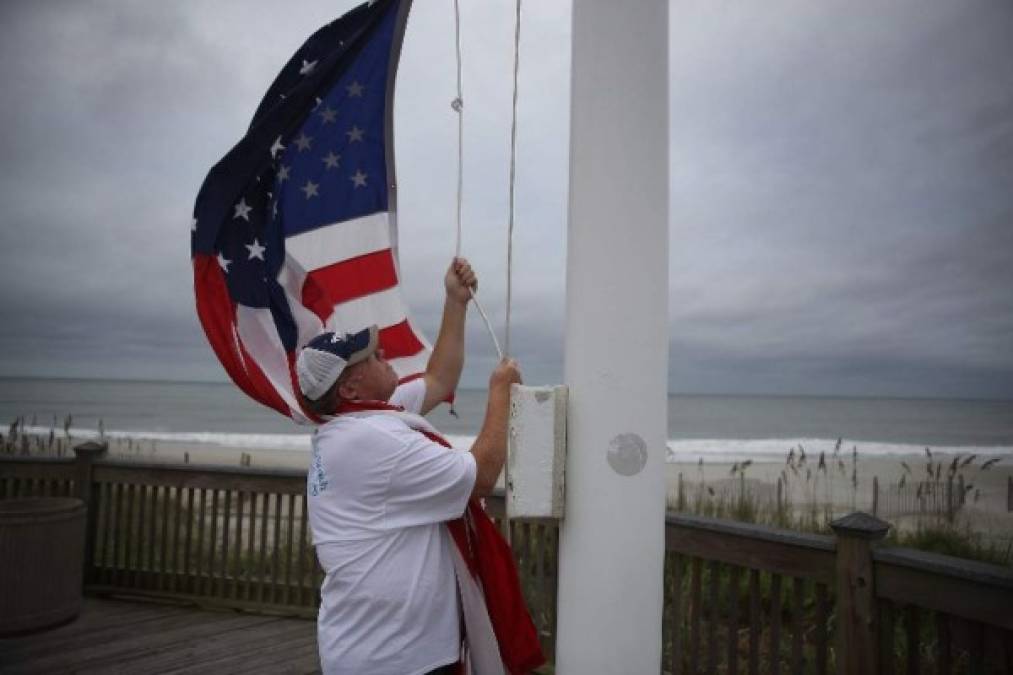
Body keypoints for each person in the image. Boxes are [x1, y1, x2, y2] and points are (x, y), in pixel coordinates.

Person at [296, 258, 536, 675]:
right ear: (350, 387)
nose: (382, 352)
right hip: (395, 658)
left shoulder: (360, 423)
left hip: (382, 649)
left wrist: (455, 302)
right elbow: (479, 477)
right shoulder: (369, 440)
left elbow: (440, 378)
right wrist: (503, 397)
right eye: (369, 356)